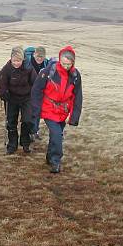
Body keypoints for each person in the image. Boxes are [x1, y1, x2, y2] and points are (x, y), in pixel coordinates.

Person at [31, 45, 83, 173]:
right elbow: (36, 91)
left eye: (68, 64)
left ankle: (49, 157)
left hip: (63, 111)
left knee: (56, 135)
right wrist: (36, 111)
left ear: (73, 63)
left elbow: (77, 97)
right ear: (59, 60)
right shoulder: (48, 72)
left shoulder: (75, 76)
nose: (66, 67)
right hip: (49, 108)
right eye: (64, 63)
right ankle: (56, 161)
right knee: (57, 134)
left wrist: (74, 116)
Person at [0, 46, 37, 155]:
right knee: (11, 122)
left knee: (27, 120)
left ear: (23, 59)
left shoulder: (29, 68)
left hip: (26, 98)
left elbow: (35, 83)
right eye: (14, 60)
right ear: (11, 59)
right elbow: (1, 82)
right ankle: (12, 145)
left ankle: (25, 142)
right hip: (11, 99)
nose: (16, 63)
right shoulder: (7, 68)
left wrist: (34, 96)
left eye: (18, 61)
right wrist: (3, 93)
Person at [29, 46, 49, 140]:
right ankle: (31, 131)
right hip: (28, 91)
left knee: (37, 112)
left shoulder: (46, 64)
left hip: (40, 92)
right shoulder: (28, 63)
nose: (39, 58)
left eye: (41, 56)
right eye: (38, 56)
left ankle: (34, 131)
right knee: (31, 112)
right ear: (34, 54)